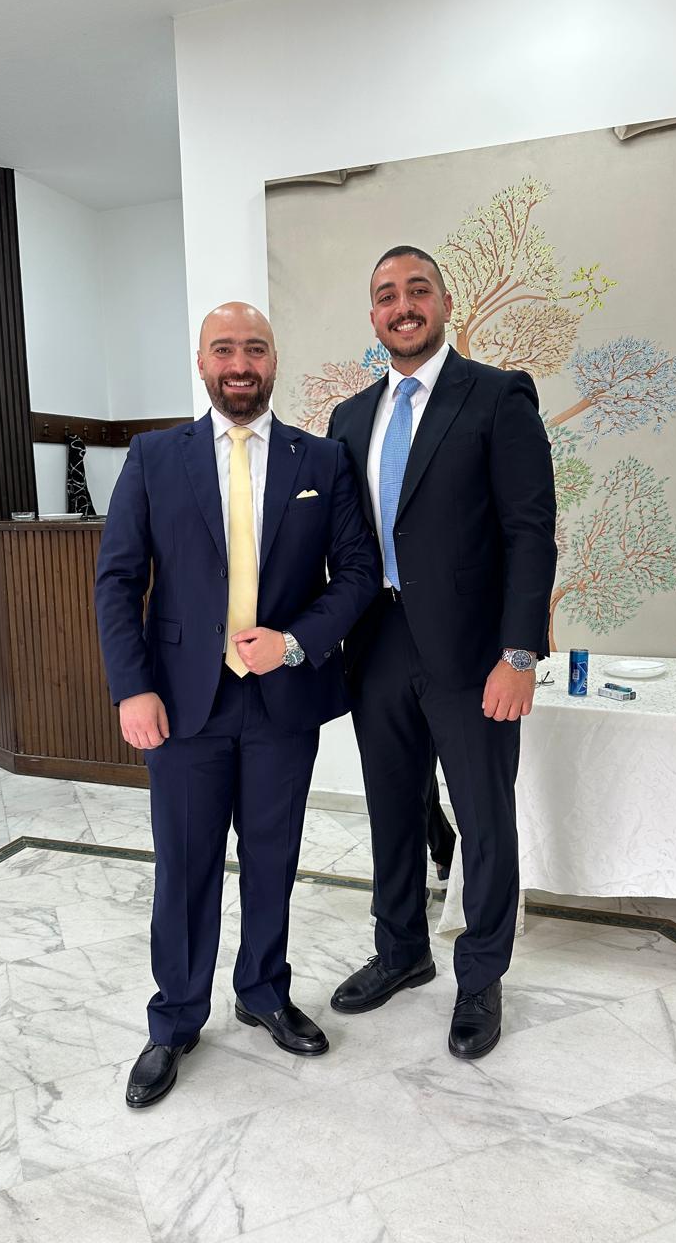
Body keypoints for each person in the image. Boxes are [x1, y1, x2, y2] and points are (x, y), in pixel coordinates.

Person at [95, 302, 381, 1108]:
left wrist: (293, 642)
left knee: (272, 858)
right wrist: (132, 687)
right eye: (224, 349)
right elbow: (118, 580)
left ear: (274, 360)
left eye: (255, 348)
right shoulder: (154, 457)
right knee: (184, 867)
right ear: (202, 362)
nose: (240, 363)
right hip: (182, 706)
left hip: (282, 700)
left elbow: (358, 573)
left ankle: (262, 991)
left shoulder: (321, 459)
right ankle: (176, 1019)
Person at [327, 247, 557, 1060]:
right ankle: (401, 951)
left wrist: (520, 654)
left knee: (484, 817)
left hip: (474, 651)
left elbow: (530, 531)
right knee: (394, 806)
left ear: (445, 302)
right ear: (374, 316)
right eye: (386, 295)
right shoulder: (350, 418)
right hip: (378, 641)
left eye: (417, 290)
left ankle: (481, 976)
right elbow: (344, 542)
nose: (403, 306)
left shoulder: (497, 396)